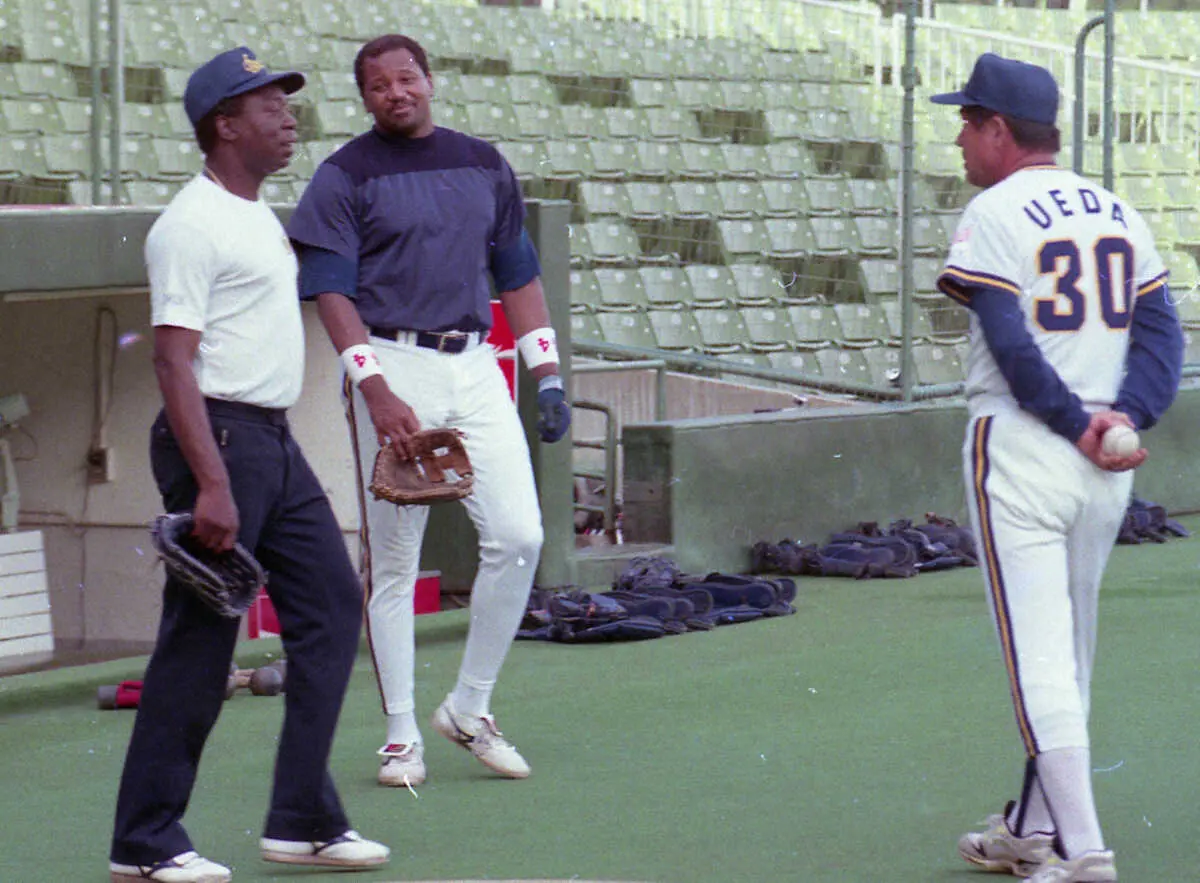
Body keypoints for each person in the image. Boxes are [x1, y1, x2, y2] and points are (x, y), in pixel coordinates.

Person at [108, 47, 389, 883]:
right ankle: (144, 841)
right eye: (270, 106)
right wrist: (213, 484)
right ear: (225, 125)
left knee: (332, 610)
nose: (288, 118)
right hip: (220, 440)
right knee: (198, 645)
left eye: (286, 104)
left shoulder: (255, 212)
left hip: (269, 439)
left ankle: (302, 817)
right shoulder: (189, 225)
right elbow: (170, 360)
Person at [286, 33, 572, 789]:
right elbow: (330, 292)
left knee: (520, 536)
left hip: (474, 363)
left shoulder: (482, 163)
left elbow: (518, 275)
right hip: (392, 359)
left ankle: (469, 707)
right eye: (379, 85)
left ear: (430, 80)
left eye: (406, 78)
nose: (396, 93)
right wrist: (374, 388)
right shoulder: (344, 174)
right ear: (364, 97)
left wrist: (546, 375)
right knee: (395, 559)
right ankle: (400, 735)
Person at [932, 53, 1183, 883]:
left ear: (1001, 130)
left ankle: (1083, 851)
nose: (960, 138)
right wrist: (1126, 416)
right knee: (1070, 653)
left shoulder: (994, 209)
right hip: (1107, 462)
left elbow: (1009, 342)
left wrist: (1076, 423)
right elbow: (1163, 336)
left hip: (1028, 445)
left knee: (1038, 658)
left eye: (969, 122)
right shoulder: (1117, 209)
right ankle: (1033, 827)